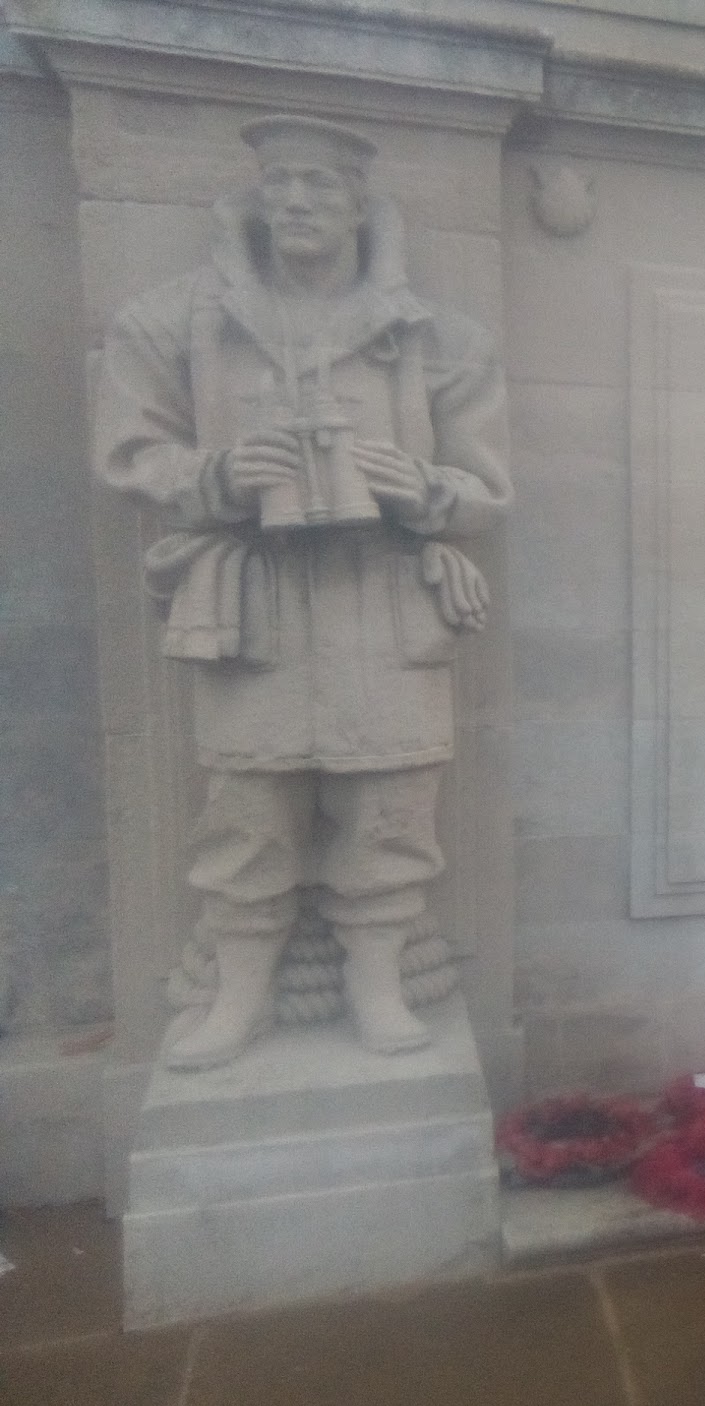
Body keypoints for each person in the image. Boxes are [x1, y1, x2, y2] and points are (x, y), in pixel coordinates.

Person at [92, 115, 511, 1068]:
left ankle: (377, 980)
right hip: (251, 601)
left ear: (360, 204)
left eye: (319, 183)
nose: (295, 201)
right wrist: (220, 476)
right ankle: (238, 991)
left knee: (392, 806)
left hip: (385, 599)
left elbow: (487, 488)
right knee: (247, 810)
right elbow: (130, 451)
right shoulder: (177, 320)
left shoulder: (438, 337)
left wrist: (424, 489)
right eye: (278, 181)